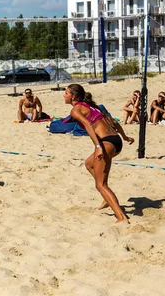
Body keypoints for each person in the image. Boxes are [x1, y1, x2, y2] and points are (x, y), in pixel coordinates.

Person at [64, 84, 134, 224]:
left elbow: (89, 126)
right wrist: (125, 138)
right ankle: (106, 198)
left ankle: (121, 217)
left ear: (73, 96)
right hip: (116, 141)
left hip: (106, 143)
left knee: (100, 185)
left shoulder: (76, 109)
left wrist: (98, 146)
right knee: (89, 164)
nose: (63, 95)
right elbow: (113, 121)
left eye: (66, 93)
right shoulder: (91, 106)